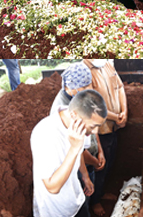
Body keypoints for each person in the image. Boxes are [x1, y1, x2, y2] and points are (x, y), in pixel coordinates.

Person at [31, 89, 107, 217]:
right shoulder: (44, 134)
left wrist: (85, 176)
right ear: (74, 115)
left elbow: (80, 152)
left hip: (76, 200)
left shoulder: (79, 123)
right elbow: (52, 187)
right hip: (55, 210)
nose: (95, 132)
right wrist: (74, 148)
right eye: (93, 126)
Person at [50, 63, 105, 217]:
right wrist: (93, 163)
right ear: (73, 87)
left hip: (89, 160)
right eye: (85, 89)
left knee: (88, 193)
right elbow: (76, 149)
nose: (89, 92)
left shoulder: (80, 99)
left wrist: (100, 150)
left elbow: (94, 126)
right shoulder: (63, 110)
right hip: (76, 168)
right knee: (81, 205)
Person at [82, 60, 128, 217]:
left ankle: (101, 193)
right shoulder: (85, 71)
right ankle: (95, 202)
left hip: (114, 126)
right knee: (100, 166)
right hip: (99, 130)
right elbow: (91, 104)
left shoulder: (107, 65)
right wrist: (117, 117)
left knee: (110, 162)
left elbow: (120, 87)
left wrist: (124, 111)